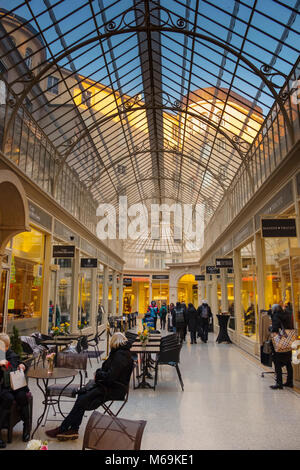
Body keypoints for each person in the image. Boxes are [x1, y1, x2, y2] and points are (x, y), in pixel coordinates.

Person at [46, 332, 134, 441]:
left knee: (82, 399)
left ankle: (64, 428)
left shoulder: (120, 355)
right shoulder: (120, 354)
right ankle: (73, 429)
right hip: (109, 386)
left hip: (114, 389)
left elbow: (111, 376)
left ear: (113, 343)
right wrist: (100, 373)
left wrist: (98, 374)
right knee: (82, 396)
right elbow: (109, 372)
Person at [0, 333, 30, 448]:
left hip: (16, 385)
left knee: (22, 396)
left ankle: (26, 427)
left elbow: (20, 363)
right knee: (8, 398)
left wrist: (22, 365)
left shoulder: (12, 355)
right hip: (3, 387)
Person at [269, 304, 294, 390]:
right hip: (288, 341)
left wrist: (271, 328)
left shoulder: (276, 316)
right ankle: (290, 381)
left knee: (277, 362)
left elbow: (275, 329)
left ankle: (279, 383)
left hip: (280, 342)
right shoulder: (288, 314)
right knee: (288, 362)